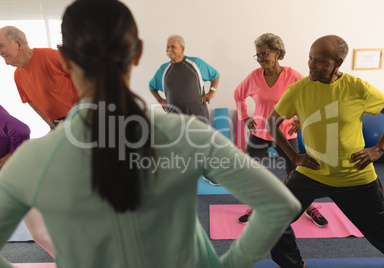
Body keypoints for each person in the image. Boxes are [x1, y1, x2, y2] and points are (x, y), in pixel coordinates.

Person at [0, 1, 301, 267]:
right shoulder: (188, 134)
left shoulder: (30, 159)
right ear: (137, 52)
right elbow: (279, 204)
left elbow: (40, 234)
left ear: (63, 57)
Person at [267, 35, 384, 268]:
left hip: (355, 175)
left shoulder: (357, 88)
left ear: (337, 63)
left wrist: (379, 148)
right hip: (313, 173)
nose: (310, 64)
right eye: (310, 58)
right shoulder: (299, 89)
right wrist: (294, 156)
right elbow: (271, 122)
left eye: (319, 61)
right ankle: (293, 265)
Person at [234, 33, 328, 227]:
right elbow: (238, 95)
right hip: (259, 132)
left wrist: (301, 120)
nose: (260, 59)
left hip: (285, 133)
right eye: (258, 55)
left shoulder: (293, 76)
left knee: (296, 173)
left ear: (277, 53)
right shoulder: (254, 77)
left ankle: (308, 208)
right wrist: (245, 117)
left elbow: (310, 98)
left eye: (264, 54)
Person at [149, 34, 221, 185]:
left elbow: (215, 75)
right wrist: (160, 100)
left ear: (182, 48)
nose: (169, 50)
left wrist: (211, 91)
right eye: (167, 47)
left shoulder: (196, 63)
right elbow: (151, 86)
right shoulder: (164, 69)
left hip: (198, 112)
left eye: (173, 47)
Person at [0, 105, 54, 258]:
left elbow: (21, 130)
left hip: (13, 177)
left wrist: (11, 157)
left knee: (41, 233)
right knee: (41, 233)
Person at [0, 26, 79, 129]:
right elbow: (30, 101)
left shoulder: (50, 55)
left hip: (79, 115)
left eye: (1, 46)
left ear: (18, 44)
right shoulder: (17, 75)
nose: (0, 51)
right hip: (58, 124)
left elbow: (83, 78)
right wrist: (48, 120)